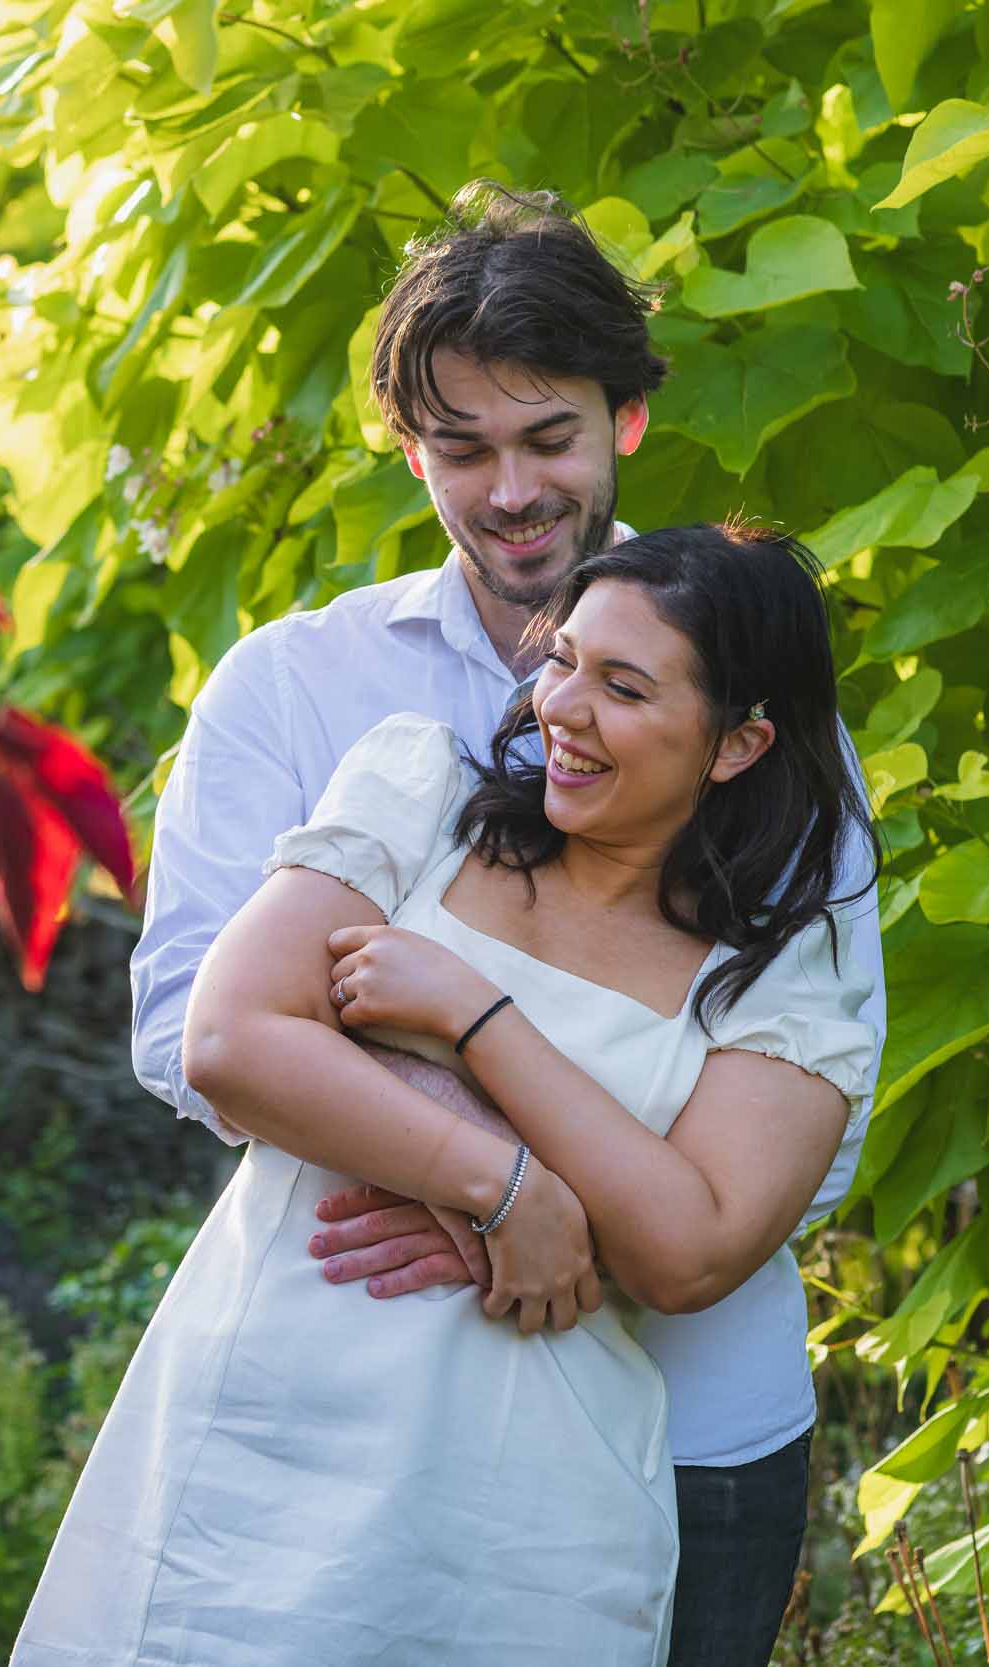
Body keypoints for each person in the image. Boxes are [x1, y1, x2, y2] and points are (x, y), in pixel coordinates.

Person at [121, 182, 887, 1664]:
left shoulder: (772, 721)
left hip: (691, 1419)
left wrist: (519, 1176)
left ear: (627, 424)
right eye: (462, 448)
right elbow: (192, 1033)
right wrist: (492, 1182)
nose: (512, 489)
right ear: (411, 450)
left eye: (550, 438)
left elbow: (817, 1112)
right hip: (347, 1407)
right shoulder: (295, 688)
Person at [13, 525, 878, 1664]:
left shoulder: (778, 985)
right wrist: (510, 1190)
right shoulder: (420, 796)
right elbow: (227, 1037)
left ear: (738, 741)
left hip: (516, 1522)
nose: (562, 706)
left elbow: (689, 1249)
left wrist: (473, 1021)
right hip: (259, 1446)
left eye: (622, 685)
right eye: (561, 658)